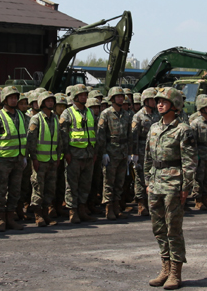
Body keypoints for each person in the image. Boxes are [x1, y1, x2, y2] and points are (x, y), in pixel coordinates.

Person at [144, 87, 196, 291]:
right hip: (156, 184)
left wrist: (186, 187)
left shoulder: (183, 130)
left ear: (175, 106)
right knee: (158, 228)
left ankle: (175, 272)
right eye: (158, 101)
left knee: (173, 228)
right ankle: (164, 268)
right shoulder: (154, 128)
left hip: (174, 185)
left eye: (164, 102)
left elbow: (189, 162)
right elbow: (148, 158)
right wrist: (148, 181)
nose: (159, 105)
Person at [0, 86, 28, 232]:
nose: (14, 100)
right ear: (4, 99)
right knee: (1, 190)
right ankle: (1, 219)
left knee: (15, 190)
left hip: (17, 159)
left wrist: (23, 156)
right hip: (3, 160)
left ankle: (10, 218)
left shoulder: (21, 115)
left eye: (15, 97)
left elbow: (24, 138)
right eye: (11, 97)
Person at [60, 84, 97, 223]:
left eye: (85, 95)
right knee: (72, 184)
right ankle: (72, 211)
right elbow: (63, 135)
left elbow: (94, 133)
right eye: (81, 95)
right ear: (75, 97)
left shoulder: (90, 112)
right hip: (74, 155)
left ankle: (82, 209)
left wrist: (94, 152)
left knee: (85, 184)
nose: (84, 97)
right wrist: (67, 153)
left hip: (88, 154)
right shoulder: (67, 113)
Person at [97, 86, 133, 220]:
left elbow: (130, 135)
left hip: (123, 151)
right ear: (112, 99)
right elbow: (101, 135)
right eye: (117, 96)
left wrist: (130, 153)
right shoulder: (106, 114)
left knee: (120, 182)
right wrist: (104, 152)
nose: (120, 98)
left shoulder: (126, 114)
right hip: (111, 152)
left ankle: (117, 207)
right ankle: (108, 208)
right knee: (109, 182)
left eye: (121, 96)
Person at [27, 91, 61, 226]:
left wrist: (58, 156)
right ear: (42, 103)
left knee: (50, 188)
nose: (51, 103)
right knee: (38, 188)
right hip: (40, 160)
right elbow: (31, 141)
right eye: (48, 101)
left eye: (52, 101)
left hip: (52, 160)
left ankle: (46, 214)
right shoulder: (36, 119)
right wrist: (34, 158)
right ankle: (38, 215)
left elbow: (59, 140)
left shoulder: (55, 118)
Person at [130, 87, 158, 216]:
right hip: (141, 150)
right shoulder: (138, 116)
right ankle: (141, 203)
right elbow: (134, 136)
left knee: (154, 177)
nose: (154, 102)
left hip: (155, 150)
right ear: (145, 101)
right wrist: (134, 153)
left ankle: (153, 203)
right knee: (141, 178)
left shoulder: (157, 115)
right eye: (152, 99)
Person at [188, 94, 207, 210]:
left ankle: (206, 198)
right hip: (200, 154)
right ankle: (198, 200)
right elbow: (192, 141)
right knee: (198, 178)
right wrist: (195, 155)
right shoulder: (196, 123)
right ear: (202, 108)